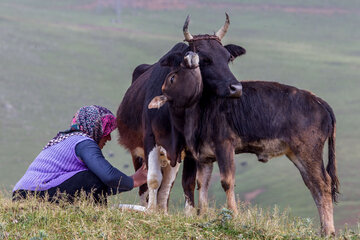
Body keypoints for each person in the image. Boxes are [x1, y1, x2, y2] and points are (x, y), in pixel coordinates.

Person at [13, 105, 147, 203]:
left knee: (93, 180)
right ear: (95, 127)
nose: (109, 138)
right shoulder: (83, 142)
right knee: (91, 178)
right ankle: (96, 220)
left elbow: (102, 187)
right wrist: (135, 180)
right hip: (32, 194)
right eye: (106, 131)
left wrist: (131, 181)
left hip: (22, 195)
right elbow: (108, 177)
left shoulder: (67, 139)